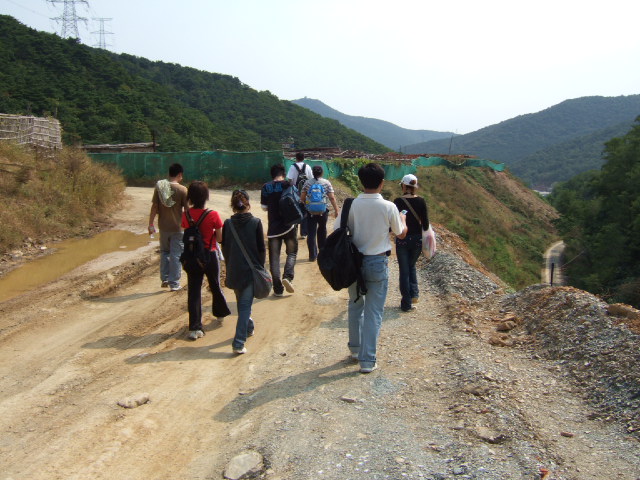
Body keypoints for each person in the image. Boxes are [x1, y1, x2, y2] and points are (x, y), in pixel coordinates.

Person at [334, 163, 407, 373]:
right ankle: (367, 361)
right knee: (373, 311)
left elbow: (336, 229)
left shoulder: (350, 205)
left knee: (355, 305)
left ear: (360, 181)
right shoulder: (388, 206)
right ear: (382, 183)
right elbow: (400, 233)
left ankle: (355, 350)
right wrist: (403, 219)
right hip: (377, 262)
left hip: (353, 263)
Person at [180, 181, 231, 340]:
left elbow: (186, 232)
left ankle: (194, 328)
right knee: (215, 285)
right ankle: (220, 313)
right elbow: (220, 238)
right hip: (210, 254)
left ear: (190, 197)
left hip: (192, 257)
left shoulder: (186, 215)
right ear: (206, 197)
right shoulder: (213, 214)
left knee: (194, 291)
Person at [221, 190, 266, 354]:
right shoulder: (256, 222)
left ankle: (248, 326)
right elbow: (261, 250)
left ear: (233, 206)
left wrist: (229, 265)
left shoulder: (227, 224)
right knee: (245, 306)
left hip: (234, 270)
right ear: (248, 204)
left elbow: (225, 248)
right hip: (250, 271)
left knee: (242, 303)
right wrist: (260, 268)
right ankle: (238, 343)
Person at [148, 163, 188, 291]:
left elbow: (154, 207)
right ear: (180, 174)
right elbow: (187, 210)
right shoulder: (183, 190)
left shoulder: (160, 187)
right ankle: (174, 283)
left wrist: (150, 224)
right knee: (176, 254)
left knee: (165, 252)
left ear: (169, 173)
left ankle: (165, 278)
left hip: (163, 227)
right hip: (178, 228)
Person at [393, 174, 429, 312]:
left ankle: (406, 303)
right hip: (417, 241)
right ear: (415, 187)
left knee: (404, 270)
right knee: (411, 265)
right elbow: (425, 225)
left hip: (402, 240)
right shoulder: (421, 201)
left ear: (403, 186)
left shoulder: (397, 201)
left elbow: (394, 223)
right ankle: (414, 294)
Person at [261, 164, 298, 296]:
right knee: (292, 253)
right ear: (284, 173)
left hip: (273, 228)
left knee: (274, 258)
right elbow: (297, 202)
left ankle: (277, 289)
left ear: (272, 174)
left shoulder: (266, 187)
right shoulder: (289, 184)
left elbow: (264, 207)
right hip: (289, 226)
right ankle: (287, 277)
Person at [299, 165, 339, 261]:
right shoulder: (326, 183)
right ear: (322, 173)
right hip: (323, 211)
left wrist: (306, 205)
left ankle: (312, 256)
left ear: (313, 173)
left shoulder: (307, 183)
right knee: (322, 229)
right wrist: (336, 210)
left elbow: (302, 197)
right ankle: (322, 253)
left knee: (311, 232)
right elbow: (331, 197)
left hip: (310, 211)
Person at [286, 152, 313, 239]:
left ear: (296, 158)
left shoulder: (292, 167)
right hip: (306, 193)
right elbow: (311, 179)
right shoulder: (307, 166)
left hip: (295, 193)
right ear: (304, 158)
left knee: (295, 210)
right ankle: (304, 233)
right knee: (305, 211)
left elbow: (290, 180)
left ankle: (294, 231)